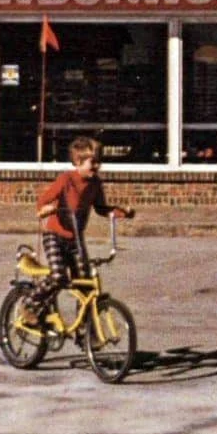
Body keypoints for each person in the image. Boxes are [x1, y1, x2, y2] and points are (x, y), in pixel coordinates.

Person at [26, 137, 134, 320]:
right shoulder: (65, 180)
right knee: (58, 276)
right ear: (78, 162)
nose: (97, 166)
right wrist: (45, 210)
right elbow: (42, 202)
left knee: (85, 283)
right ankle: (30, 304)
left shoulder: (95, 184)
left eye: (99, 162)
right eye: (93, 162)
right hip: (54, 234)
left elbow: (101, 208)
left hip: (75, 239)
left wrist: (121, 212)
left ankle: (85, 329)